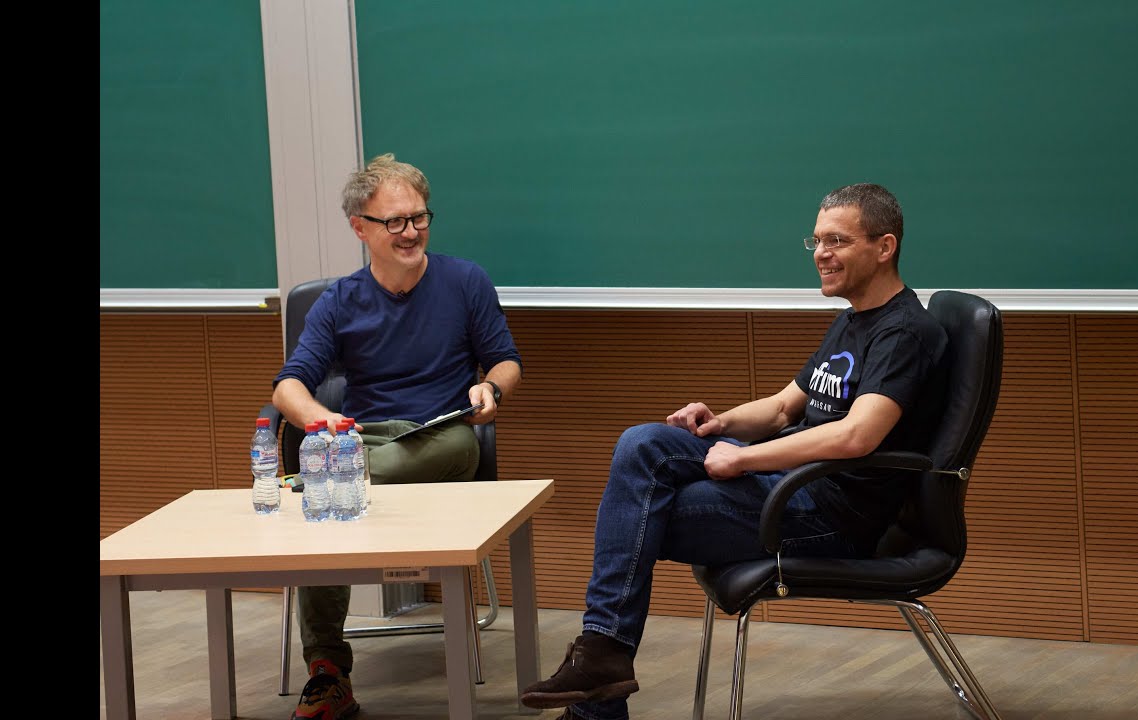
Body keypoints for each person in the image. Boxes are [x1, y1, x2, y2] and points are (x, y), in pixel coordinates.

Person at [519, 183, 948, 720]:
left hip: (830, 514)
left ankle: (599, 679)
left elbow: (856, 436)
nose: (820, 254)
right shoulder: (854, 317)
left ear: (884, 247)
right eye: (815, 241)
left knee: (637, 519)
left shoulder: (905, 332)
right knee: (643, 442)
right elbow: (783, 409)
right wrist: (720, 422)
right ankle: (602, 660)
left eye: (836, 240)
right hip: (793, 488)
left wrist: (743, 458)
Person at [272, 153, 523, 720]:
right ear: (360, 228)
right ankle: (329, 675)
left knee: (329, 490)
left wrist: (491, 391)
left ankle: (325, 484)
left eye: (419, 217)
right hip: (365, 441)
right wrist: (321, 420)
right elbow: (289, 386)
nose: (411, 232)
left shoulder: (465, 281)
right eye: (395, 222)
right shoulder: (341, 300)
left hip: (442, 437)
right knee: (330, 504)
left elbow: (506, 362)